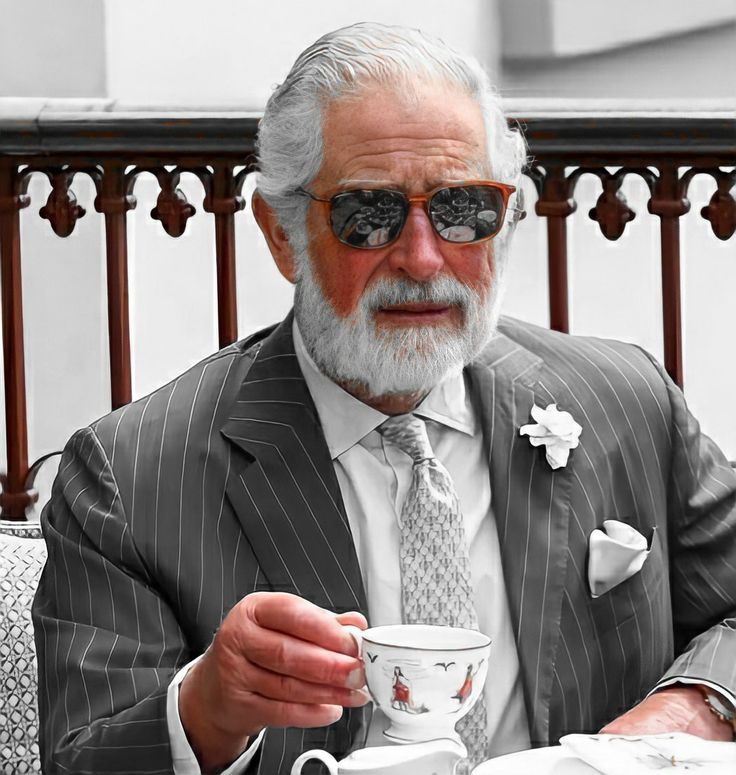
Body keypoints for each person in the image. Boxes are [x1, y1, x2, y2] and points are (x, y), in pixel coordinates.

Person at [33, 22, 736, 775]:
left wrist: (696, 702)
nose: (424, 258)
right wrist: (206, 709)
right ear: (281, 233)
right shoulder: (130, 478)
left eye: (465, 208)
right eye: (369, 213)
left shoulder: (625, 402)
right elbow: (81, 758)